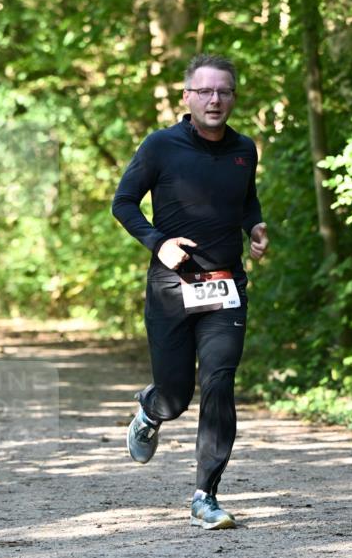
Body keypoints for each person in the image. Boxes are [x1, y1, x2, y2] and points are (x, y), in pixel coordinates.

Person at [112, 53, 269, 530]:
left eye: (223, 91)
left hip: (225, 287)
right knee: (176, 398)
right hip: (171, 289)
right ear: (187, 97)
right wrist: (158, 244)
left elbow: (245, 197)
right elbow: (123, 203)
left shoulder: (245, 149)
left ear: (234, 97)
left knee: (219, 382)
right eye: (204, 91)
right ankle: (151, 407)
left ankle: (206, 494)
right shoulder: (161, 146)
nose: (215, 99)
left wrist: (255, 224)